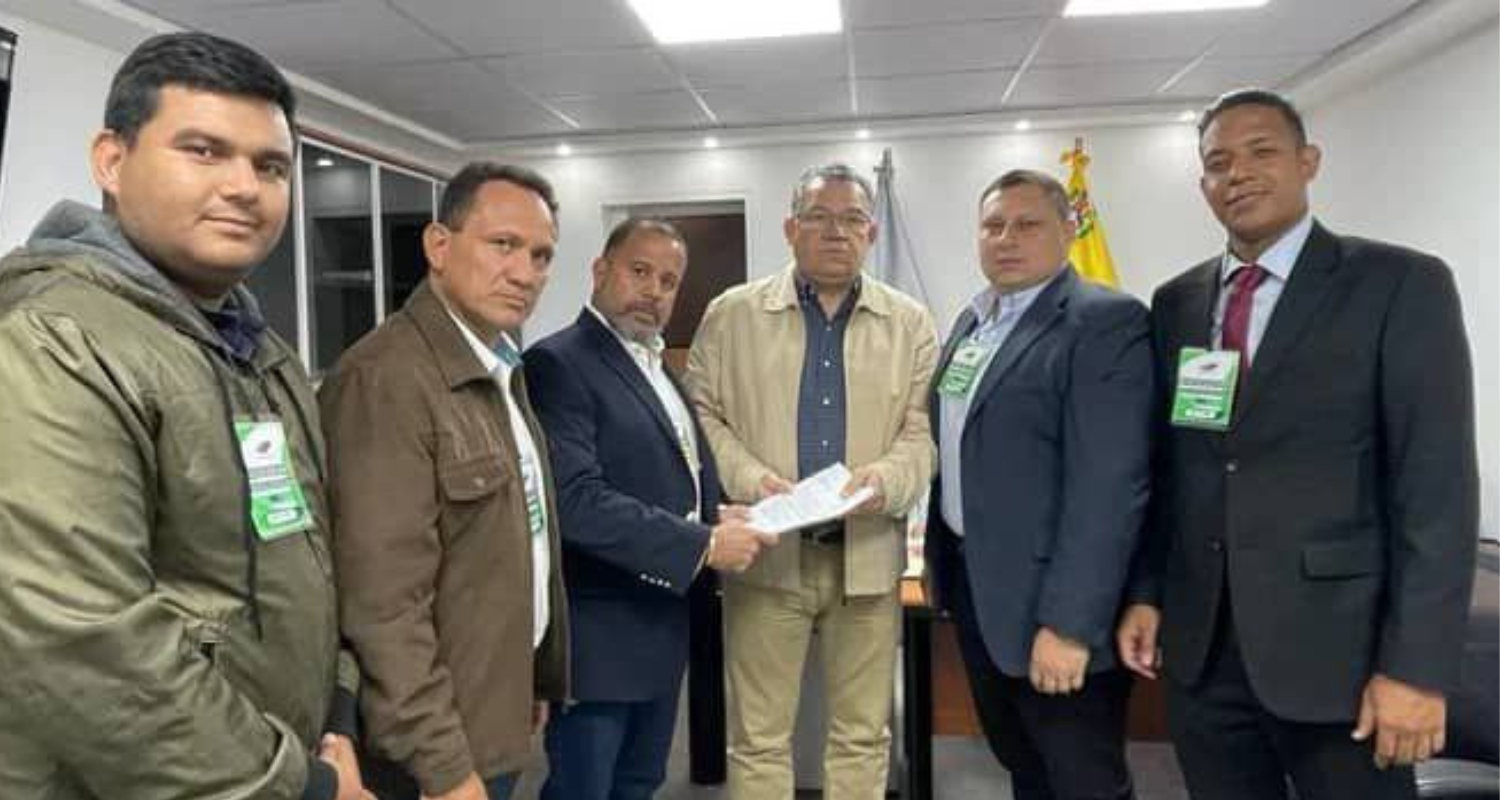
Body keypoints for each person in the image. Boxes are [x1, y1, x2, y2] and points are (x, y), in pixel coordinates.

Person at [0, 31, 370, 800]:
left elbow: (306, 552)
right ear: (111, 160)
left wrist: (335, 711)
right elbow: (83, 642)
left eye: (271, 166)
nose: (245, 187)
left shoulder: (259, 351)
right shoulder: (52, 341)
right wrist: (300, 784)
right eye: (203, 151)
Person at [1116, 88, 1479, 800]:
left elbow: (1436, 490)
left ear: (1308, 161)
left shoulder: (1399, 284)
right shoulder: (1177, 302)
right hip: (1204, 655)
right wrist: (1148, 593)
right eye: (1218, 162)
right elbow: (1177, 469)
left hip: (1341, 656)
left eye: (1262, 152)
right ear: (1202, 184)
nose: (1238, 174)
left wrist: (1417, 669)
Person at [685, 163, 938, 799]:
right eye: (819, 217)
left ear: (872, 233)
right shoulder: (732, 314)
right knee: (759, 738)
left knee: (862, 735)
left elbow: (923, 433)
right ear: (790, 228)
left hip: (867, 558)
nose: (836, 232)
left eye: (852, 219)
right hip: (768, 558)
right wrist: (751, 479)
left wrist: (884, 480)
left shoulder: (910, 322)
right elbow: (702, 415)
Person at [321, 163, 569, 800]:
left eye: (540, 255)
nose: (525, 273)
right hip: (430, 752)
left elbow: (519, 539)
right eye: (503, 244)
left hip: (492, 708)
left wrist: (530, 677)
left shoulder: (500, 365)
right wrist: (442, 765)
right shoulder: (386, 380)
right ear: (438, 245)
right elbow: (382, 607)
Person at [524, 217, 772, 800]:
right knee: (584, 789)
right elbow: (575, 500)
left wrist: (714, 515)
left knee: (639, 784)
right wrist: (703, 543)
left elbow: (660, 476)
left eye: (668, 281)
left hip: (660, 628)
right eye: (639, 271)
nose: (653, 291)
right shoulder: (559, 363)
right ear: (600, 270)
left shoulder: (657, 366)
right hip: (600, 638)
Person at [926, 169, 1152, 800]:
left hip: (1057, 606)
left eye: (1027, 224)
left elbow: (1110, 489)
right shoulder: (972, 323)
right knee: (1025, 766)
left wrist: (1071, 625)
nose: (1007, 238)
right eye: (993, 225)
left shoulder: (1103, 321)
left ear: (1068, 229)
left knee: (1083, 779)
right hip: (978, 591)